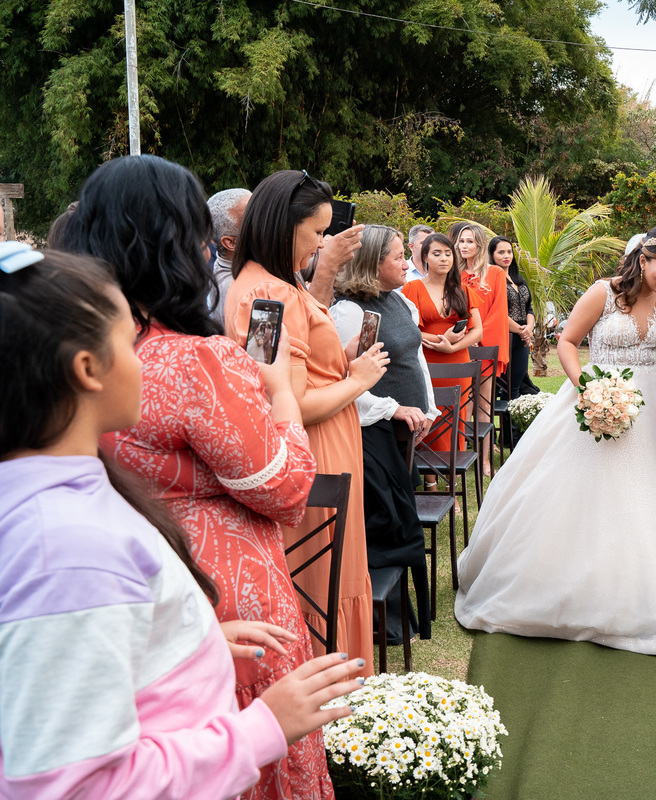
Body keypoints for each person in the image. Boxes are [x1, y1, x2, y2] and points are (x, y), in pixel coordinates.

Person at [0, 244, 365, 800]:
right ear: (87, 369)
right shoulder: (69, 551)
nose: (149, 356)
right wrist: (261, 728)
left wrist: (187, 642)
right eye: (129, 341)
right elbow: (78, 785)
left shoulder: (58, 502)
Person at [59, 156, 337, 799]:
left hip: (123, 585)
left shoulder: (79, 345)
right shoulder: (196, 359)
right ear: (185, 241)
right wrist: (279, 395)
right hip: (222, 585)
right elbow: (289, 488)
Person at [454, 226, 656, 656]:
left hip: (649, 406)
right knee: (577, 493)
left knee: (648, 496)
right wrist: (587, 389)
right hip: (596, 392)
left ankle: (634, 586)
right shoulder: (603, 292)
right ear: (643, 260)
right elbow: (568, 342)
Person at [226, 170, 389, 672]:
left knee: (329, 574)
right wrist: (359, 379)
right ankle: (327, 683)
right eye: (315, 233)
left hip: (328, 442)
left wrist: (340, 359)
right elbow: (285, 400)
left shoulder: (270, 286)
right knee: (321, 579)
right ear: (283, 225)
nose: (320, 245)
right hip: (314, 447)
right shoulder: (266, 298)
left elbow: (295, 373)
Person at [330, 224, 436, 643]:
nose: (408, 263)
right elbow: (347, 385)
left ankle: (398, 617)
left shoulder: (401, 303)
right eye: (398, 256)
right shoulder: (349, 313)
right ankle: (384, 624)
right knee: (385, 526)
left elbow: (417, 360)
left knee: (401, 518)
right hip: (371, 434)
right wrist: (394, 410)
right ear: (374, 264)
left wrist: (427, 408)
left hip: (407, 429)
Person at [402, 233, 483, 460]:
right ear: (425, 257)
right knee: (429, 417)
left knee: (455, 418)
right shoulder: (412, 288)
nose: (444, 259)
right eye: (437, 254)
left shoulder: (463, 290)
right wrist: (440, 340)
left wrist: (452, 348)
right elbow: (410, 331)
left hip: (458, 362)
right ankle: (429, 482)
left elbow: (478, 330)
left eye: (448, 254)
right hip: (425, 363)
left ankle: (452, 479)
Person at [457, 222, 509, 476]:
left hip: (485, 346)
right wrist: (465, 336)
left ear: (479, 244)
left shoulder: (495, 274)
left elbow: (499, 311)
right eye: (460, 241)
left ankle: (485, 459)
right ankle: (463, 457)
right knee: (462, 403)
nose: (463, 245)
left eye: (468, 241)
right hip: (460, 345)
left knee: (484, 404)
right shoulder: (454, 274)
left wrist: (480, 337)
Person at [492, 235, 533, 400]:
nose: (506, 255)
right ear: (492, 255)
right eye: (501, 252)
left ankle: (512, 426)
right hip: (503, 337)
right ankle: (492, 426)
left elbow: (528, 308)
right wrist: (521, 330)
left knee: (515, 387)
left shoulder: (519, 280)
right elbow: (497, 313)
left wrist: (528, 329)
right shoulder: (491, 280)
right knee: (495, 388)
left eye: (509, 251)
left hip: (522, 339)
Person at [208, 188, 252, 323]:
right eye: (252, 217)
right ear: (231, 243)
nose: (265, 219)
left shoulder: (259, 259)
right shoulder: (233, 291)